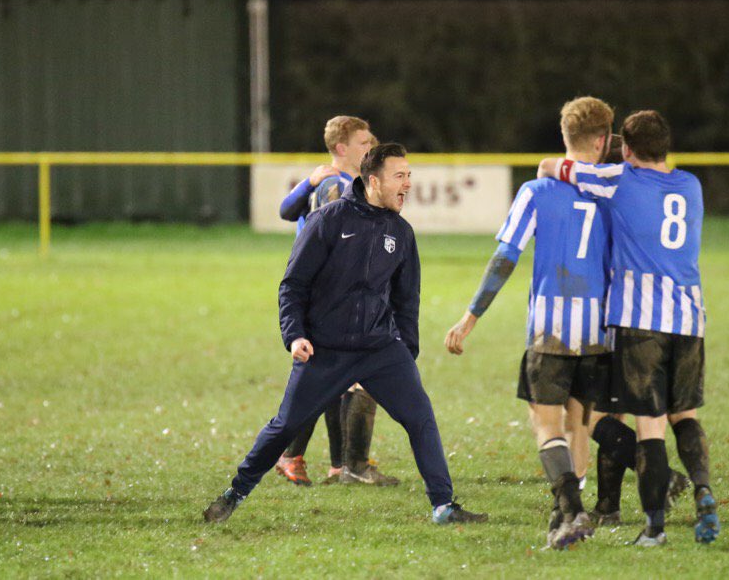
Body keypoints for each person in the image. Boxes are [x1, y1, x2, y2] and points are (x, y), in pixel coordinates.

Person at [204, 143, 487, 525]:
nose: (407, 184)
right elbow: (293, 285)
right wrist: (295, 335)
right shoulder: (328, 220)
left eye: (409, 176)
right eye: (399, 176)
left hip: (380, 349)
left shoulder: (401, 232)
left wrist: (406, 351)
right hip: (326, 350)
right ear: (374, 181)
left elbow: (407, 299)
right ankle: (234, 494)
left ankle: (443, 506)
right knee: (285, 426)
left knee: (420, 418)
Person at [538, 110, 719, 546]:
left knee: (650, 427)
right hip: (690, 319)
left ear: (628, 148)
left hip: (641, 323)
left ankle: (654, 529)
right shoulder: (691, 185)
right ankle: (703, 491)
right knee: (685, 416)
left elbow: (551, 166)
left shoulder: (620, 179)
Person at [444, 96, 615, 548]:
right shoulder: (615, 194)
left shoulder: (536, 191)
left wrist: (470, 316)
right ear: (603, 140)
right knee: (579, 424)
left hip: (551, 329)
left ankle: (571, 510)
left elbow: (506, 257)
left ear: (564, 135)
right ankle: (571, 507)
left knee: (546, 425)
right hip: (598, 329)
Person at [275, 116, 394, 487]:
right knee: (329, 376)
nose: (371, 148)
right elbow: (330, 239)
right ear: (342, 148)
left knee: (336, 378)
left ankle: (338, 464)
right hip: (325, 291)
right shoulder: (332, 184)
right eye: (364, 143)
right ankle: (293, 456)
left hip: (333, 291)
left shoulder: (346, 184)